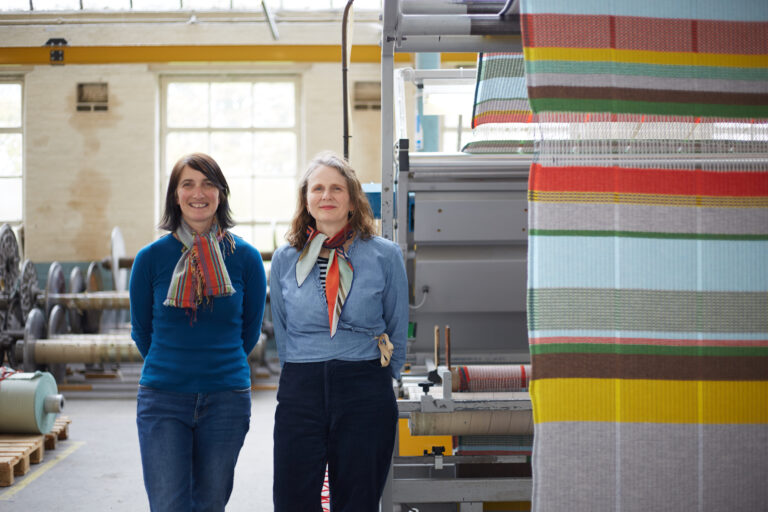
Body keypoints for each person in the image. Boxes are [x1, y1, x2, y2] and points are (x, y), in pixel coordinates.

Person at [270, 151, 409, 511]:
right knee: (292, 499)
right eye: (317, 188)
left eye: (336, 188)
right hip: (302, 387)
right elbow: (282, 327)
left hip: (364, 386)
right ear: (306, 200)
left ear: (352, 200)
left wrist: (382, 378)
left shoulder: (384, 255)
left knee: (357, 500)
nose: (326, 196)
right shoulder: (286, 259)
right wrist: (300, 368)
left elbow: (397, 323)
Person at [129, 152, 267, 512]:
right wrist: (175, 365)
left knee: (210, 504)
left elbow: (249, 333)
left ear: (221, 193)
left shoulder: (246, 259)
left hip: (227, 399)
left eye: (208, 183)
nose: (198, 192)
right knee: (168, 505)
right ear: (175, 195)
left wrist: (215, 365)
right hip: (163, 399)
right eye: (187, 183)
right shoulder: (151, 258)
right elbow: (143, 331)